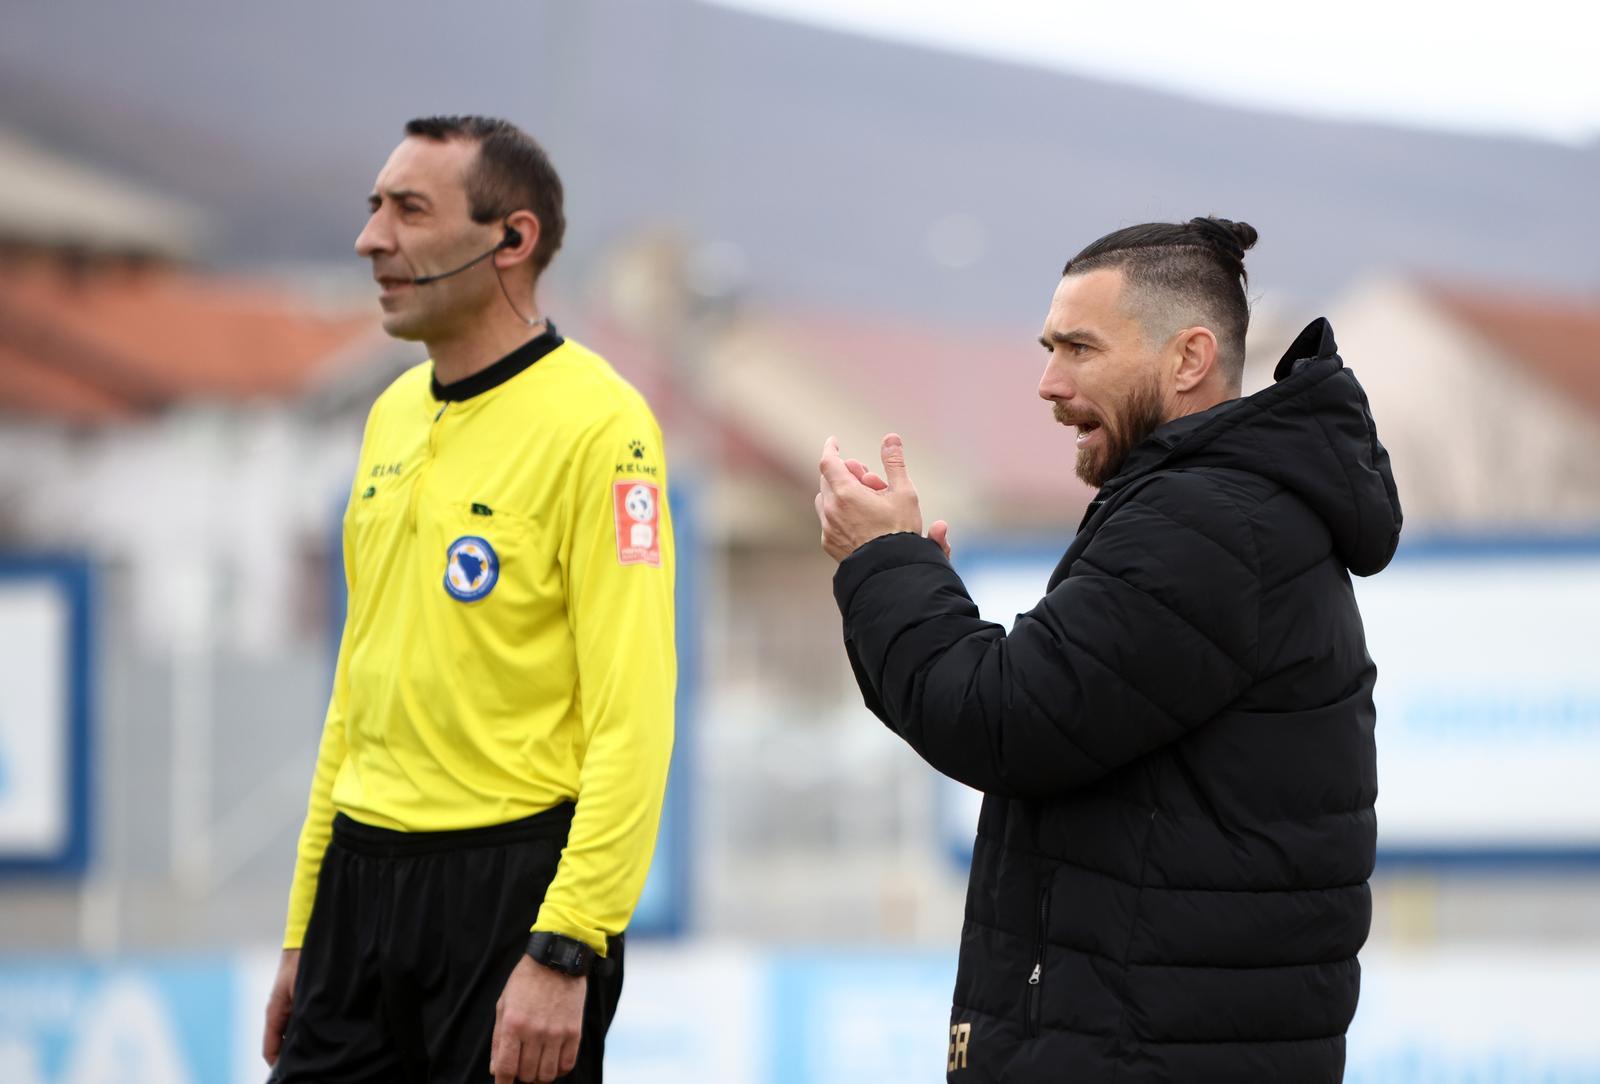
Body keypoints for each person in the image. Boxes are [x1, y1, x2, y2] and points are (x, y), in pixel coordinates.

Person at [815, 216, 1401, 1083]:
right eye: (1049, 348)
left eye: (1079, 349)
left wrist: (884, 564)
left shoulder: (1211, 522)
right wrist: (912, 584)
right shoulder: (1220, 508)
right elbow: (1043, 708)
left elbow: (1005, 719)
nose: (1049, 384)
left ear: (1188, 358)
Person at [263, 115, 675, 1084]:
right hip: (358, 892)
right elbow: (355, 697)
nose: (372, 238)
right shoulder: (390, 414)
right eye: (373, 208)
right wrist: (303, 930)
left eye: (409, 209)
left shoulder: (601, 424)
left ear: (511, 239)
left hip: (509, 896)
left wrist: (566, 943)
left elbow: (634, 714)